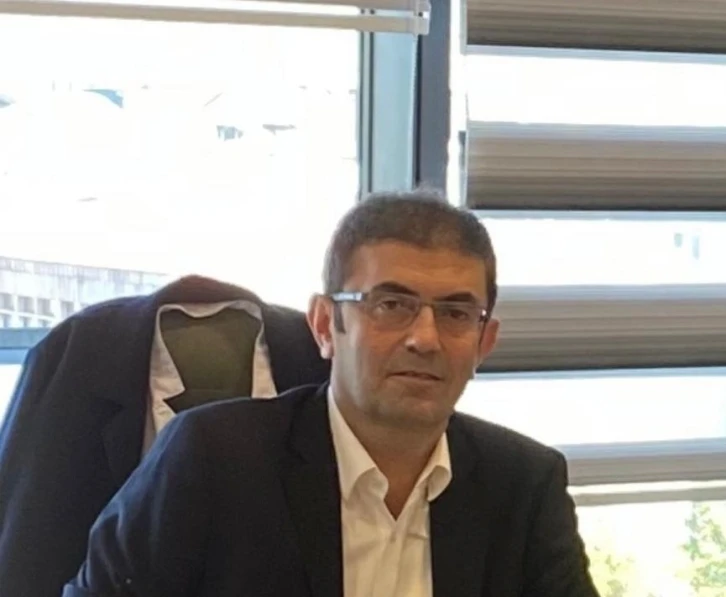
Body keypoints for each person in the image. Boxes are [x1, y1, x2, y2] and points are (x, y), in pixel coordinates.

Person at [63, 189, 600, 597]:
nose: (425, 339)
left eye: (456, 313)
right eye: (392, 305)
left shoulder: (523, 486)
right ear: (324, 325)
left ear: (484, 342)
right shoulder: (214, 458)